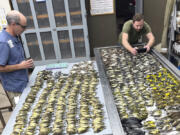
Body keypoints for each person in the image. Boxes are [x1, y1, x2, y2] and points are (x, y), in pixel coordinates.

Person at [0, 10, 34, 107]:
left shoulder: (14, 36)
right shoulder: (3, 42)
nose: (25, 29)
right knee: (21, 114)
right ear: (13, 24)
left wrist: (25, 63)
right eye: (23, 27)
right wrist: (20, 66)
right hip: (15, 89)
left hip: (23, 83)